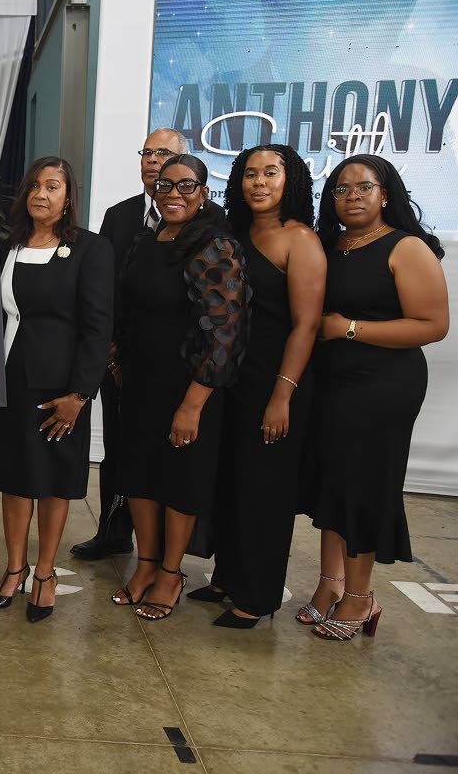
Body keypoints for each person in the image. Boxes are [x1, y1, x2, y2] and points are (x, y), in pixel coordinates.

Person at [297, 154, 448, 641]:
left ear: (386, 193)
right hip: (331, 385)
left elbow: (433, 325)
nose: (353, 196)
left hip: (382, 386)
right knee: (333, 483)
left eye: (364, 187)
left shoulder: (406, 248)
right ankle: (329, 585)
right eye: (341, 189)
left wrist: (351, 329)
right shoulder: (331, 244)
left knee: (362, 486)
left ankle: (360, 599)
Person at [190, 145, 325, 628]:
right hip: (233, 380)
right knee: (229, 482)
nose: (260, 183)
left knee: (264, 491)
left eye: (271, 173)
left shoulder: (300, 240)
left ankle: (258, 596)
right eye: (250, 174)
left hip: (276, 382)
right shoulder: (234, 234)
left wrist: (282, 395)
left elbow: (306, 326)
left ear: (291, 181)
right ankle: (227, 576)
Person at [112, 154, 249, 621]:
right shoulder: (146, 239)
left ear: (204, 192)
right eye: (165, 185)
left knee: (180, 481)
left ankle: (172, 572)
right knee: (139, 475)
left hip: (189, 386)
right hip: (141, 381)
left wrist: (192, 405)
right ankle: (146, 563)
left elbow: (225, 334)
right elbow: (128, 309)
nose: (173, 194)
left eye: (186, 186)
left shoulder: (215, 246)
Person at [0, 157, 113, 623]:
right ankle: (14, 569)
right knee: (14, 479)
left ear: (68, 195)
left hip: (61, 391)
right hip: (12, 382)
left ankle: (45, 573)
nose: (41, 193)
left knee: (54, 483)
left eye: (52, 186)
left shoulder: (90, 249)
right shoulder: (8, 245)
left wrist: (80, 395)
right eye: (34, 184)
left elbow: (99, 329)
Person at [71, 127, 190, 561]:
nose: (152, 160)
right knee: (119, 446)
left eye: (163, 153)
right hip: (117, 356)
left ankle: (162, 552)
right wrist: (109, 349)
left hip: (172, 362)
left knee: (166, 453)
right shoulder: (119, 215)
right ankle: (113, 531)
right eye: (147, 152)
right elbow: (103, 287)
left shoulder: (198, 216)